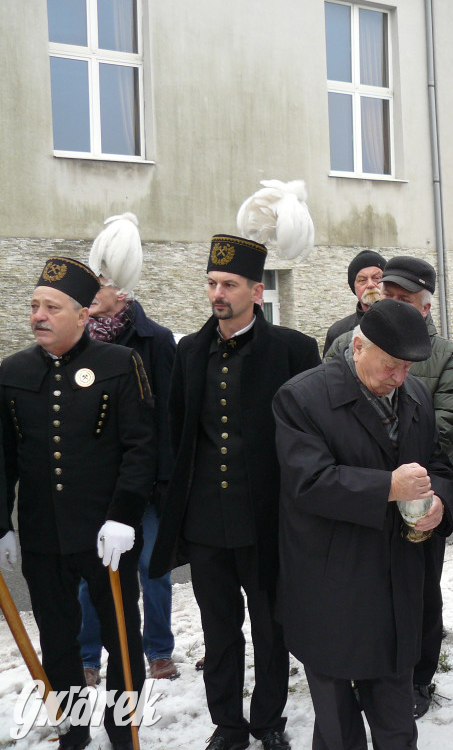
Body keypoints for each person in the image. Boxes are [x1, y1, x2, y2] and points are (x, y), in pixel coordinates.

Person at [150, 231, 320, 750]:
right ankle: (227, 724)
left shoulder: (293, 349)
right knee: (219, 630)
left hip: (267, 518)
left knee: (273, 629)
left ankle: (268, 721)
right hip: (206, 522)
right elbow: (176, 431)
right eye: (211, 283)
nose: (216, 293)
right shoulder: (190, 351)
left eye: (228, 284)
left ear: (256, 291)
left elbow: (311, 436)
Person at [274, 299, 453, 750]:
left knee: (396, 715)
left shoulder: (413, 396)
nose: (399, 377)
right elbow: (309, 481)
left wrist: (439, 505)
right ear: (357, 347)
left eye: (408, 367)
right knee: (337, 722)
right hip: (330, 583)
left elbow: (437, 464)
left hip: (395, 579)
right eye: (390, 365)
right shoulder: (302, 397)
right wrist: (387, 488)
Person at [0, 257, 155, 750]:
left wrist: (125, 515)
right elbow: (2, 456)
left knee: (121, 636)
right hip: (45, 536)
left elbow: (141, 446)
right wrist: (2, 522)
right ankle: (72, 728)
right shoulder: (13, 371)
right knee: (58, 638)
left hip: (106, 534)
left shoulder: (118, 364)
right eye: (34, 306)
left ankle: (123, 727)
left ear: (82, 315)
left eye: (51, 307)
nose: (38, 316)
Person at [325, 256, 453, 719]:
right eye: (386, 295)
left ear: (426, 308)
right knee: (359, 595)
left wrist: (414, 482)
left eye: (402, 299)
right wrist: (375, 477)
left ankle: (419, 677)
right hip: (361, 498)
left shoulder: (446, 356)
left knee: (422, 594)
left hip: (419, 498)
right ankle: (358, 670)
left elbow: (447, 423)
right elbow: (327, 414)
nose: (388, 302)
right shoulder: (345, 343)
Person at [76, 213, 179, 685]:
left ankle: (158, 651)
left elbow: (165, 415)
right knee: (91, 575)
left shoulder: (155, 341)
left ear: (122, 291)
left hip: (149, 483)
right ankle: (89, 657)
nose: (90, 291)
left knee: (152, 573)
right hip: (97, 483)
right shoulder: (77, 343)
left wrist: (161, 479)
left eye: (99, 283)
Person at [323, 249, 386, 355]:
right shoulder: (338, 332)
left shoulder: (405, 323)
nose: (370, 284)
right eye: (362, 280)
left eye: (376, 278)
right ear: (354, 288)